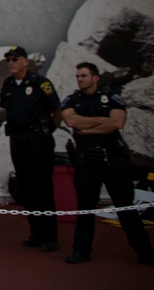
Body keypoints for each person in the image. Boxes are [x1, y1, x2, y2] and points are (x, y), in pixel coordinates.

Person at [62, 62, 154, 266]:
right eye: (78, 76)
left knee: (126, 209)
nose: (80, 79)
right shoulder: (72, 99)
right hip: (87, 162)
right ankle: (82, 250)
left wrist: (87, 126)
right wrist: (102, 122)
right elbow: (71, 122)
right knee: (84, 209)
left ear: (95, 78)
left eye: (84, 76)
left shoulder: (112, 98)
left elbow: (117, 123)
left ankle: (145, 252)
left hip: (114, 160)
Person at [0, 45, 61, 252]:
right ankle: (36, 232)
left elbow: (56, 110)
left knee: (42, 186)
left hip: (38, 139)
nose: (11, 63)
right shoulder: (8, 84)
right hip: (18, 139)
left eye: (15, 59)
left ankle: (50, 236)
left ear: (26, 61)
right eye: (9, 60)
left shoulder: (40, 83)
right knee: (26, 187)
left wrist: (47, 130)